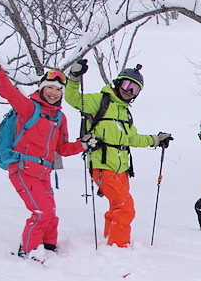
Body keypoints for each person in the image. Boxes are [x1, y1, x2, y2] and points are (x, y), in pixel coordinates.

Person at [0, 55, 99, 259]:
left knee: (51, 214)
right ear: (41, 88)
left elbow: (62, 148)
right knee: (41, 212)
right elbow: (10, 93)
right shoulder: (29, 108)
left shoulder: (59, 117)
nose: (54, 93)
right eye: (50, 88)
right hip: (22, 169)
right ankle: (29, 250)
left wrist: (82, 144)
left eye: (58, 90)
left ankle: (48, 246)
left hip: (44, 172)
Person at [64, 60, 172, 247]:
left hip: (122, 169)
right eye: (127, 85)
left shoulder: (125, 113)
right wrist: (74, 77)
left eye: (134, 89)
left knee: (116, 205)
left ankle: (111, 238)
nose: (129, 91)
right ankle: (119, 246)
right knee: (125, 206)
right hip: (101, 165)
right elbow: (72, 98)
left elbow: (133, 138)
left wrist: (156, 139)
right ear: (118, 82)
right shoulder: (99, 101)